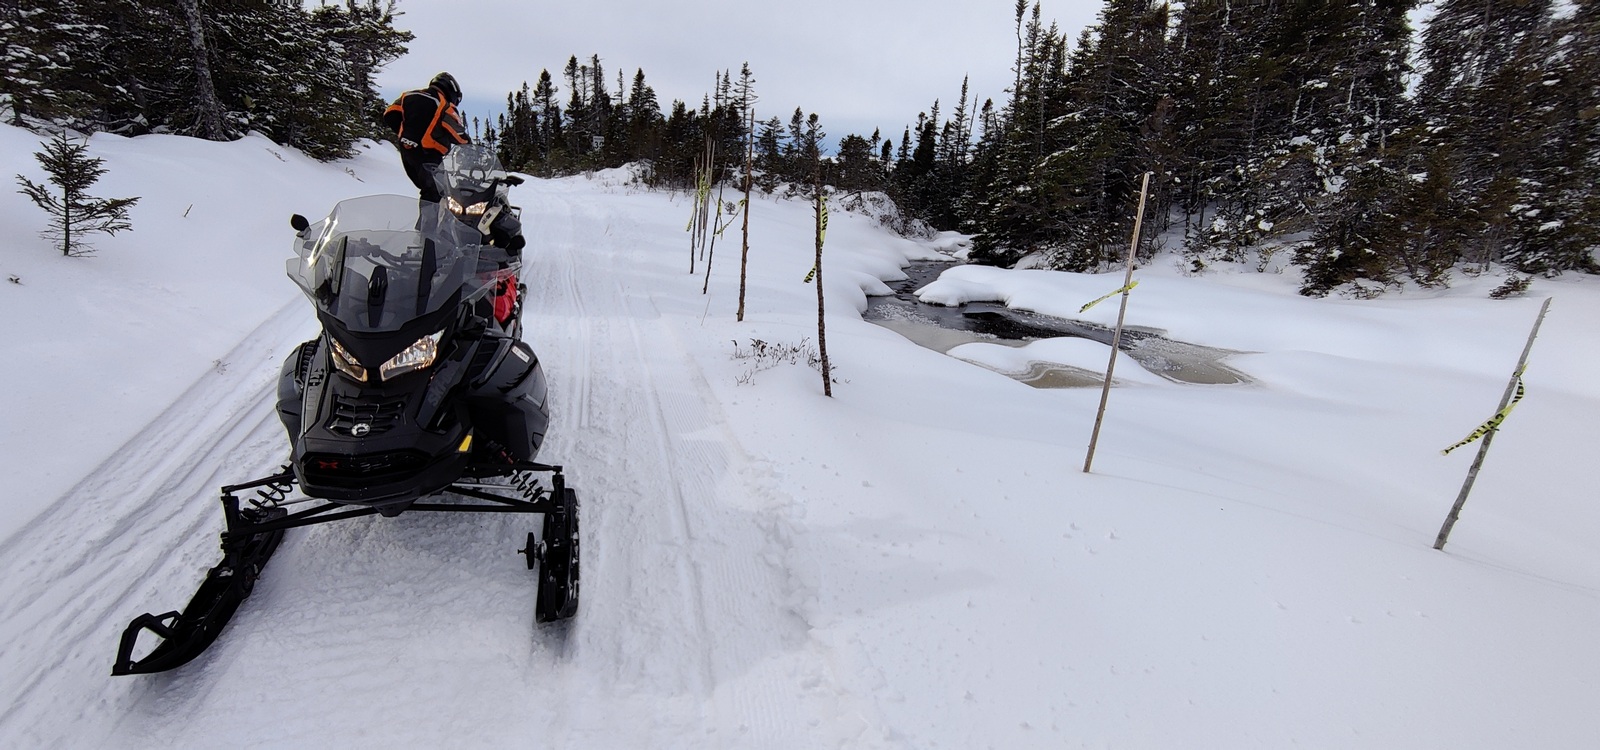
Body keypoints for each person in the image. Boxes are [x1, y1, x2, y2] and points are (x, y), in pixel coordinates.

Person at [382, 72, 469, 202]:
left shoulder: (408, 96)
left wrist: (405, 134)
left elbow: (389, 114)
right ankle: (429, 222)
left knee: (429, 191)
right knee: (437, 193)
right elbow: (459, 136)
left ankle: (431, 220)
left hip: (407, 153)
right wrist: (471, 147)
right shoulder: (444, 105)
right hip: (429, 154)